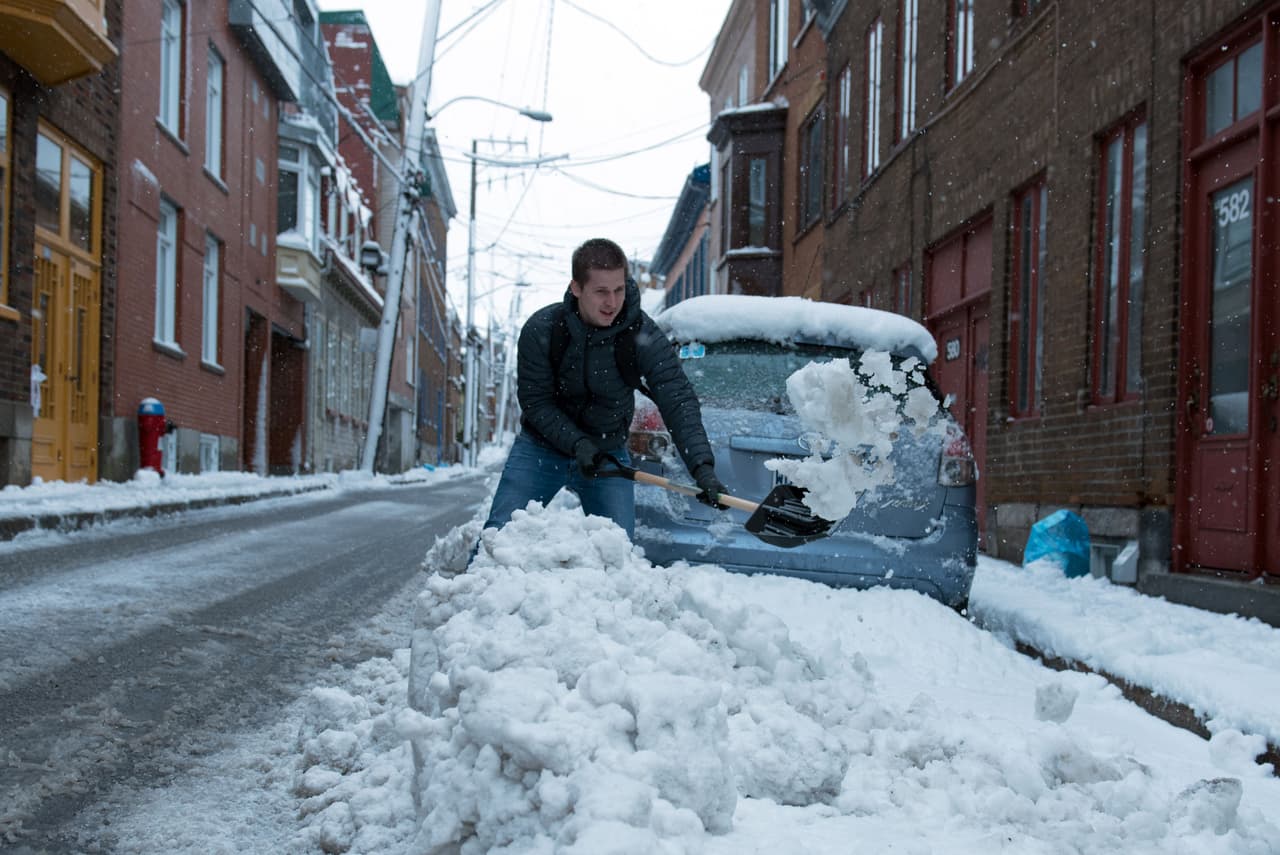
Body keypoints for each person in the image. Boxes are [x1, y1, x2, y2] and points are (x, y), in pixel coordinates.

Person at [482, 237, 726, 539]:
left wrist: (701, 468)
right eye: (601, 292)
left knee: (617, 550)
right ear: (576, 288)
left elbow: (677, 397)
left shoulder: (641, 334)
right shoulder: (543, 329)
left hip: (607, 454)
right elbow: (536, 401)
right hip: (541, 449)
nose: (612, 302)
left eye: (619, 290)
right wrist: (578, 443)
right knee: (498, 539)